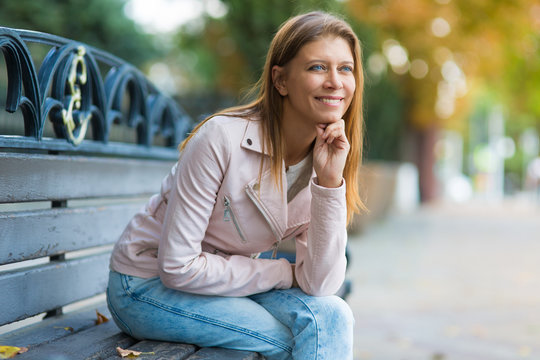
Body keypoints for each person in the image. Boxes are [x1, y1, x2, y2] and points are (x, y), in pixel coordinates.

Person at [107, 11, 366, 360]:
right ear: (281, 80)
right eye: (318, 67)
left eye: (346, 68)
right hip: (144, 285)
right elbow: (177, 267)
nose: (335, 82)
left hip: (226, 282)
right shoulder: (221, 138)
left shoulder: (328, 157)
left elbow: (320, 284)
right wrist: (279, 271)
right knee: (307, 338)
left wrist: (330, 182)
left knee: (333, 317)